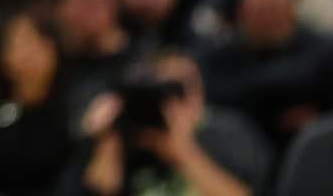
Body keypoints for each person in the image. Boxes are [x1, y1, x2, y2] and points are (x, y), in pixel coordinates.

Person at [74, 49, 269, 196]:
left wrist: (184, 152)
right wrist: (109, 142)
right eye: (170, 88)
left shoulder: (230, 133)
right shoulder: (128, 133)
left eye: (187, 85)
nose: (180, 98)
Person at [195, 0, 333, 148]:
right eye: (262, 9)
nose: (270, 18)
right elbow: (210, 95)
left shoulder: (325, 49)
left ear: (291, 9)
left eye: (276, 8)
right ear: (243, 10)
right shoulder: (221, 54)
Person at [0, 10, 77, 196]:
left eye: (39, 41)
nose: (30, 53)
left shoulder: (73, 111)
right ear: (3, 56)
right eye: (19, 42)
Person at [57, 0, 136, 105]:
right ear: (63, 7)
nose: (95, 9)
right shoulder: (51, 62)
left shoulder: (141, 62)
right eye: (85, 0)